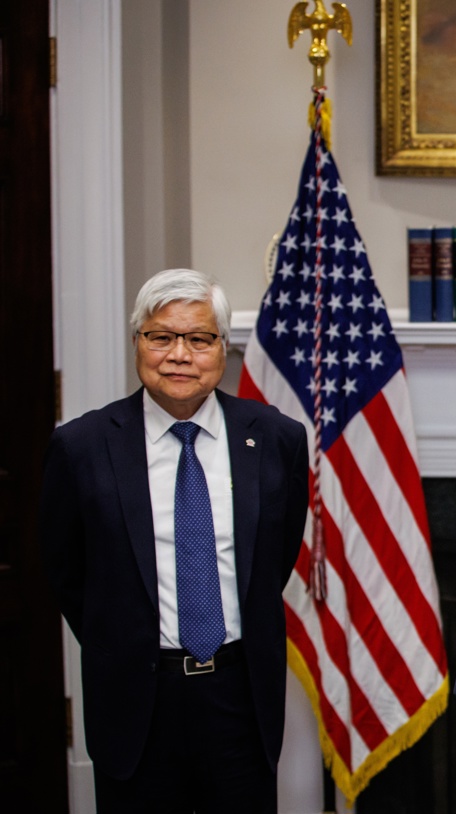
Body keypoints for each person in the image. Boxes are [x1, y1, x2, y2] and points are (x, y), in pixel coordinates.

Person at [41, 269, 309, 813]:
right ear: (138, 343)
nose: (179, 354)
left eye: (199, 338)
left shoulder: (276, 437)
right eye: (160, 337)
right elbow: (67, 574)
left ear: (222, 347)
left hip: (239, 695)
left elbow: (274, 559)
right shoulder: (82, 446)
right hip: (137, 700)